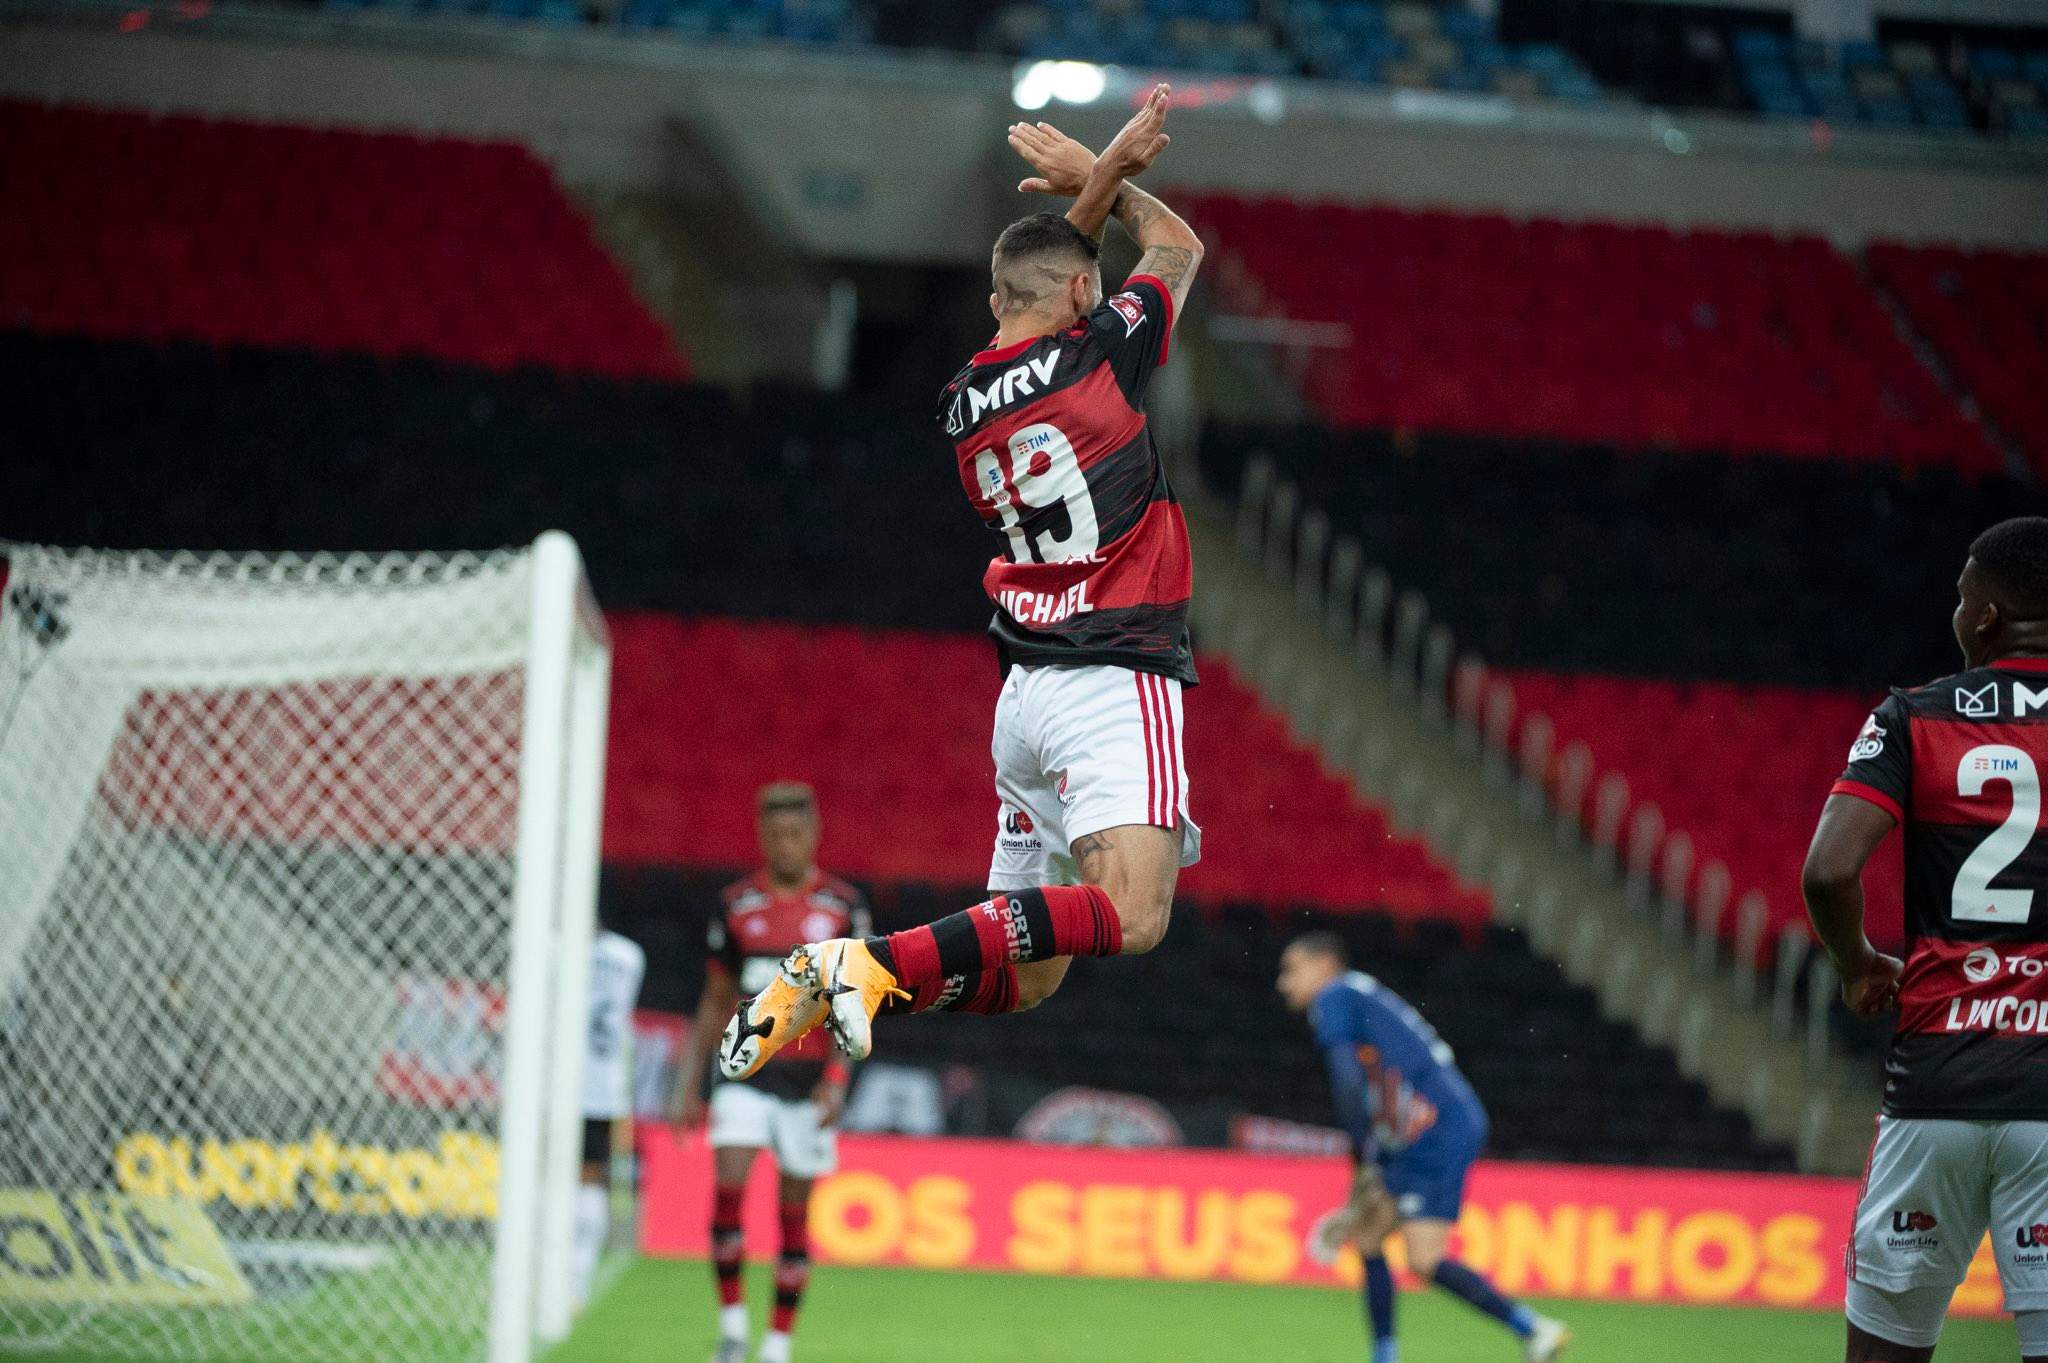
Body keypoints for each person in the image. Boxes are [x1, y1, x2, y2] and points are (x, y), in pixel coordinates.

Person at [720, 84, 1209, 1081]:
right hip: (1111, 675)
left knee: (1028, 972)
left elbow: (1034, 280)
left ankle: (858, 980)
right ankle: (851, 969)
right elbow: (1178, 252)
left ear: (997, 304)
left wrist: (1097, 182)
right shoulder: (1100, 359)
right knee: (1136, 914)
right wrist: (1107, 180)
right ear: (1083, 297)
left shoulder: (961, 402)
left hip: (1023, 698)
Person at [1804, 516, 2048, 1363]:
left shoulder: (1915, 717)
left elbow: (1829, 870)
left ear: (1985, 617)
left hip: (1939, 1079)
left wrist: (1858, 964)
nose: (1955, 609)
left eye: (1960, 594)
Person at [1278, 932, 1569, 1363]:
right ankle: (1386, 1355)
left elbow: (1347, 1081)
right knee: (1369, 1235)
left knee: (1424, 1258)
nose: (1284, 983)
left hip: (1437, 1130)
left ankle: (1535, 1328)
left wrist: (1361, 1156)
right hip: (1417, 1131)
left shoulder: (1335, 994)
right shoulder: (1358, 994)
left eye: (1291, 970)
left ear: (1323, 965)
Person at [670, 783, 867, 1363]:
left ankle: (777, 1344)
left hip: (807, 1086)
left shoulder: (841, 906)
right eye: (776, 834)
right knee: (728, 1191)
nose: (787, 844)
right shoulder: (736, 905)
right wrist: (689, 1084)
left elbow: (853, 998)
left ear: (814, 835)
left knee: (793, 1216)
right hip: (745, 1074)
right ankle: (733, 1330)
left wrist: (837, 1078)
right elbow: (714, 999)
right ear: (762, 838)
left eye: (797, 833)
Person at [575, 924, 646, 1309]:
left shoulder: (550, 948)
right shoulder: (628, 956)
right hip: (604, 1083)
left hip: (556, 1083)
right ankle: (577, 1277)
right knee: (590, 1178)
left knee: (559, 1178)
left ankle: (563, 1272)